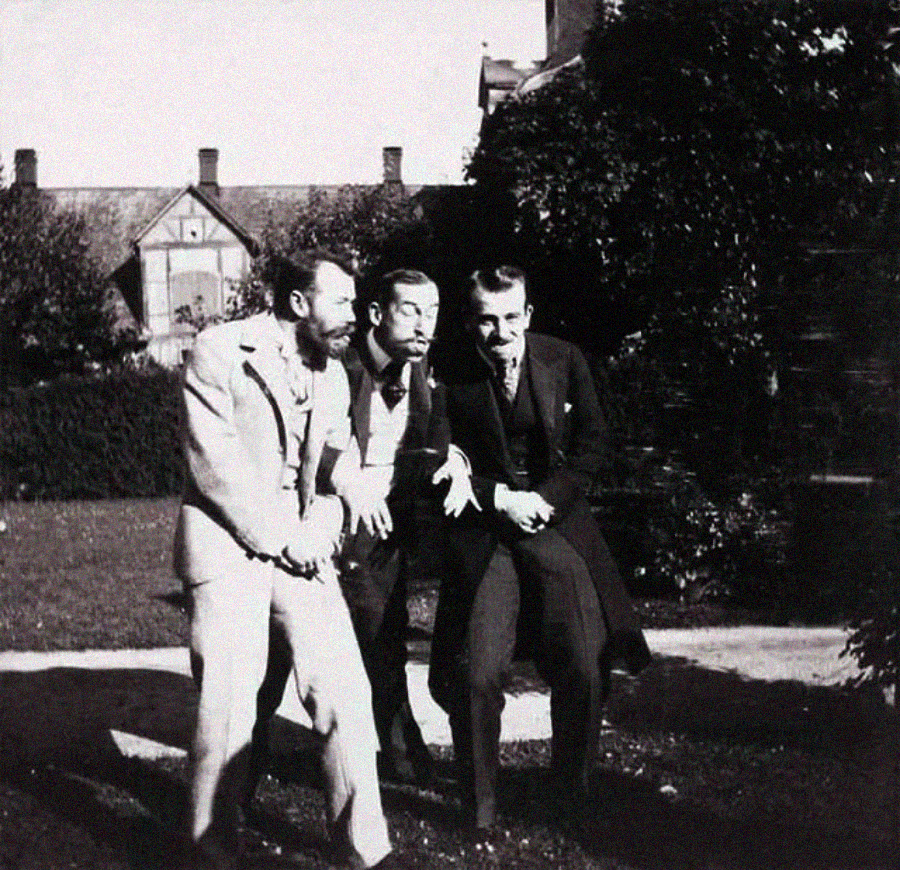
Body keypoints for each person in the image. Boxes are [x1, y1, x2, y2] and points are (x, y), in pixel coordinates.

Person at [173, 251, 399, 870]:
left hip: (300, 546)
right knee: (228, 703)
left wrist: (323, 530)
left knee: (345, 691)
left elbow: (332, 466)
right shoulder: (218, 351)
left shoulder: (332, 372)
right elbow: (212, 468)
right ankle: (208, 854)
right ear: (297, 304)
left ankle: (367, 852)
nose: (355, 315)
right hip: (227, 542)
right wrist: (286, 539)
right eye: (342, 302)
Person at [428, 265, 652, 833]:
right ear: (471, 322)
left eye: (510, 317)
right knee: (478, 672)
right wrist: (497, 497)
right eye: (486, 319)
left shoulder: (564, 359)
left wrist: (546, 501)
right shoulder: (449, 375)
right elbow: (436, 458)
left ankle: (569, 794)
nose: (500, 331)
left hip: (555, 525)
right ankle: (479, 806)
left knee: (583, 661)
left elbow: (594, 442)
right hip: (487, 534)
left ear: (527, 316)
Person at [247, 269, 478, 793]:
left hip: (379, 535)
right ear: (376, 315)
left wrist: (455, 461)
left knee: (383, 641)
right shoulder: (338, 365)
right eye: (411, 310)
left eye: (433, 311)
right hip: (313, 522)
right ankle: (241, 768)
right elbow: (305, 445)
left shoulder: (422, 367)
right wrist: (348, 481)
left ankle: (398, 753)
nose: (426, 324)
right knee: (275, 659)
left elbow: (430, 441)